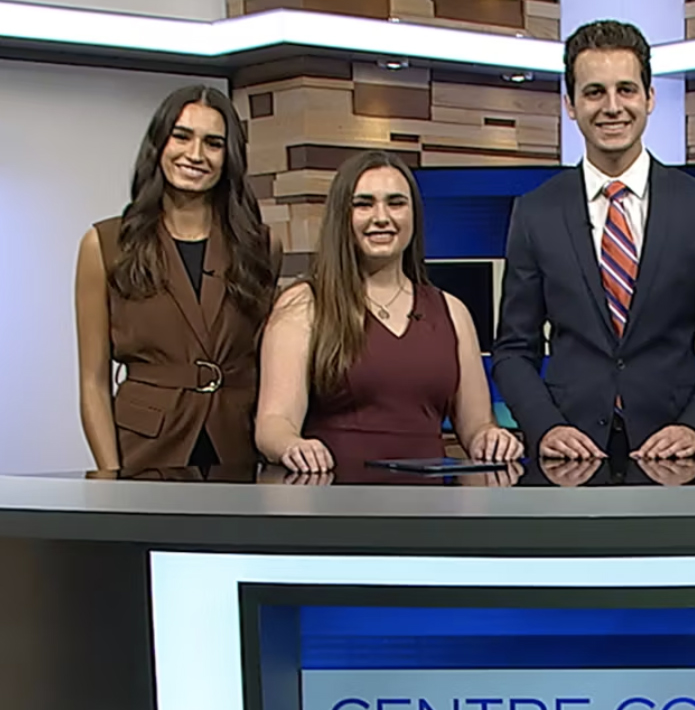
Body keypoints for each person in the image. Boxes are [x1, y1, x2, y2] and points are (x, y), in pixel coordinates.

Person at [492, 19, 695, 462]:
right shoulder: (535, 211)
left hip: (673, 455)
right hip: (569, 457)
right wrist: (545, 426)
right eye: (594, 92)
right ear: (570, 105)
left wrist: (694, 427)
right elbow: (514, 350)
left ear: (650, 98)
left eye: (626, 90)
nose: (612, 107)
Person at [255, 150, 520, 473]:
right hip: (333, 499)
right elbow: (273, 423)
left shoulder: (452, 311)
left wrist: (490, 438)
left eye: (396, 203)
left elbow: (477, 424)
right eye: (364, 204)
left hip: (429, 508)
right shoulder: (305, 304)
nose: (382, 217)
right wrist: (291, 445)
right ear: (342, 216)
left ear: (414, 215)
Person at [75, 85, 278, 471]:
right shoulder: (105, 244)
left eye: (213, 143)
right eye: (182, 136)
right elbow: (92, 381)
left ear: (229, 156)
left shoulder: (261, 247)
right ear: (159, 144)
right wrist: (108, 472)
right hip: (145, 449)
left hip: (236, 448)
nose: (195, 155)